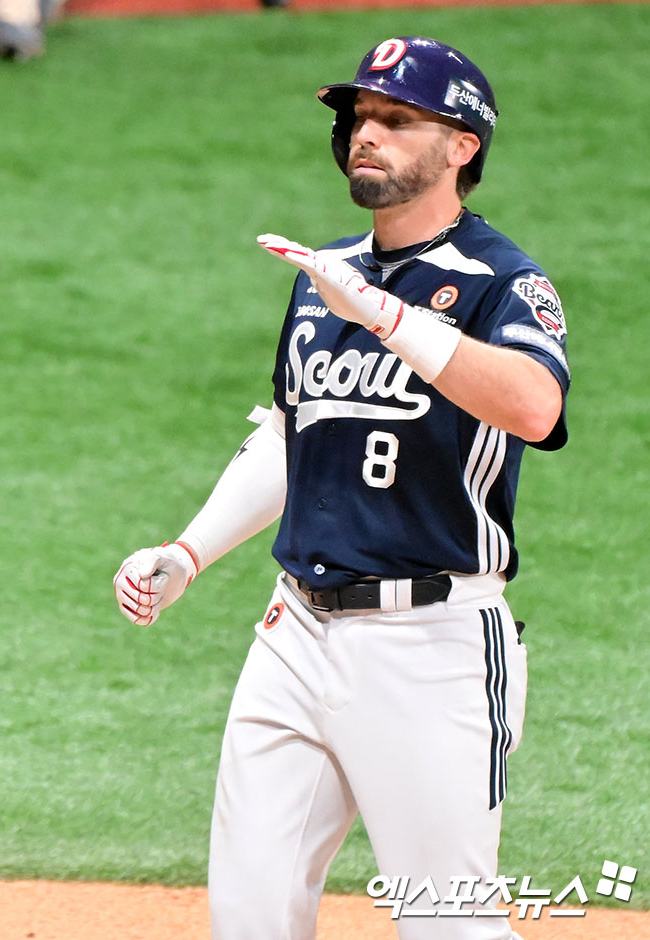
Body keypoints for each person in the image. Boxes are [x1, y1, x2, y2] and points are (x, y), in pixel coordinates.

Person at [114, 36, 568, 940]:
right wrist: (189, 550)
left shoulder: (502, 281)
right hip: (294, 636)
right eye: (361, 118)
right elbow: (294, 433)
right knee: (250, 919)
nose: (368, 134)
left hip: (431, 646)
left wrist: (389, 316)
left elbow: (533, 407)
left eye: (398, 121)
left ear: (462, 147)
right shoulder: (326, 274)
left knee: (449, 926)